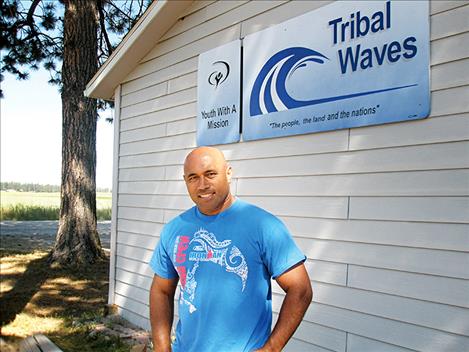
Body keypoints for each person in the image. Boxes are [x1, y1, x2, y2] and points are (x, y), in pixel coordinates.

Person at [149, 146, 312, 352]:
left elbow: (301, 289)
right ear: (185, 181)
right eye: (193, 177)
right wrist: (161, 348)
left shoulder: (263, 226)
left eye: (210, 174)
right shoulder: (174, 230)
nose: (202, 185)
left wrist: (271, 348)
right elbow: (161, 290)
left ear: (228, 174)